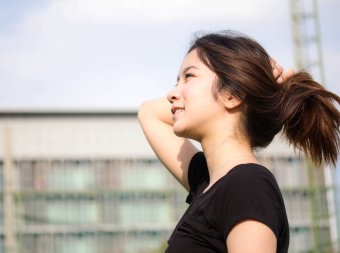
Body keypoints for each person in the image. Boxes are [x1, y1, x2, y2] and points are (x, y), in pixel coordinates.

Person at [138, 30, 340, 253]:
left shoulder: (247, 186)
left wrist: (253, 82)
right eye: (177, 80)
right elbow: (148, 113)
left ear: (232, 95)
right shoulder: (207, 183)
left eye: (189, 77)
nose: (171, 93)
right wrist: (257, 83)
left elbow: (150, 113)